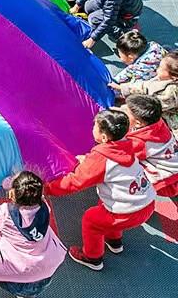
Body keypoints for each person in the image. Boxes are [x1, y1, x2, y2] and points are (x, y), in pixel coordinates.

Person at [46, 109, 155, 270]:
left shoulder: (103, 158)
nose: (92, 128)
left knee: (91, 220)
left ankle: (92, 258)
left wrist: (47, 188)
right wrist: (90, 161)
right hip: (147, 202)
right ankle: (114, 241)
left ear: (103, 137)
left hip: (126, 213)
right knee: (104, 206)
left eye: (94, 126)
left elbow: (75, 182)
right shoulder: (129, 145)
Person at [124, 95, 178, 197]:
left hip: (168, 183)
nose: (122, 111)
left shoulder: (140, 142)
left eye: (126, 112)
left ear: (138, 123)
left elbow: (122, 156)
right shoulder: (159, 123)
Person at [112, 51, 178, 132]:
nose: (157, 69)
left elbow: (151, 107)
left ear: (174, 77)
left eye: (161, 68)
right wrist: (122, 88)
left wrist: (127, 108)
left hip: (165, 118)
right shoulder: (161, 78)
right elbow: (144, 86)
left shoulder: (171, 92)